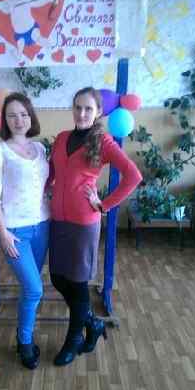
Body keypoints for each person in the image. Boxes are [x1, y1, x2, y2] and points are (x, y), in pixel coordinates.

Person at [47, 87, 142, 366]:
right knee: (57, 278)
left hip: (83, 222)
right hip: (58, 219)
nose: (82, 113)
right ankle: (94, 323)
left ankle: (73, 341)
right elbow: (52, 170)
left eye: (88, 108)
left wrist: (104, 204)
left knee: (78, 284)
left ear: (98, 111)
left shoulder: (103, 141)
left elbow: (133, 175)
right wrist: (45, 188)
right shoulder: (62, 138)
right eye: (78, 107)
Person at [0, 92, 50, 370]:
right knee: (34, 289)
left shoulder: (40, 149)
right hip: (14, 232)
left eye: (23, 114)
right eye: (12, 115)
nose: (19, 120)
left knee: (29, 286)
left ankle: (24, 334)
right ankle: (24, 341)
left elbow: (44, 186)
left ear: (31, 116)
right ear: (5, 120)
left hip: (43, 226)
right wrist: (2, 232)